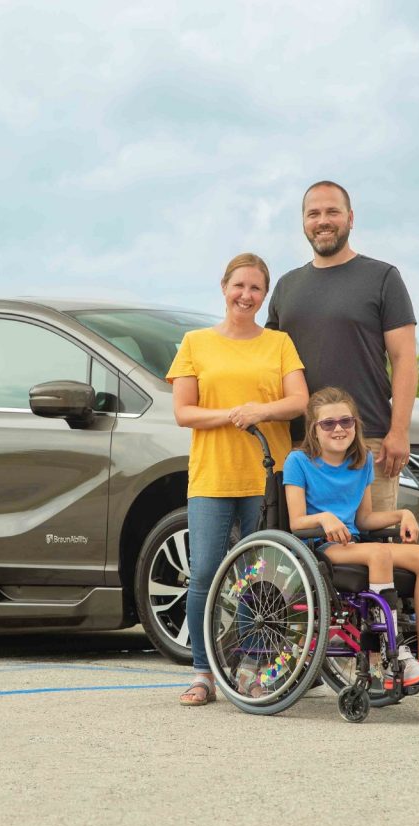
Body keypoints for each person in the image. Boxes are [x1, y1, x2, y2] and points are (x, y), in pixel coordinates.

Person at [166, 253, 309, 707]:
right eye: (239, 286)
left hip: (269, 478)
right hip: (212, 476)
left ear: (264, 296)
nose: (246, 296)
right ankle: (203, 673)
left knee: (262, 577)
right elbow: (183, 412)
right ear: (224, 287)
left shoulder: (279, 343)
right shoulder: (195, 343)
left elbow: (300, 401)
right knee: (206, 574)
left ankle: (252, 668)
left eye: (255, 289)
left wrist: (260, 411)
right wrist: (232, 415)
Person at [284, 387, 419, 687]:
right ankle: (391, 657)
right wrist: (323, 517)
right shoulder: (299, 462)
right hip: (319, 547)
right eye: (328, 423)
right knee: (379, 553)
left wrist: (401, 515)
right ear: (313, 429)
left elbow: (365, 519)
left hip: (354, 544)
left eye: (346, 422)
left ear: (356, 424)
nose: (338, 429)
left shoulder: (362, 462)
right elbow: (296, 522)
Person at [266, 180, 418, 513]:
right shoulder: (285, 286)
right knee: (304, 554)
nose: (322, 221)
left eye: (332, 212)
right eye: (313, 213)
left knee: (373, 548)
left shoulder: (382, 278)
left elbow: (405, 358)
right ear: (304, 222)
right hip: (299, 446)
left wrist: (399, 431)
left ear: (350, 218)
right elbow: (265, 361)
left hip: (367, 441)